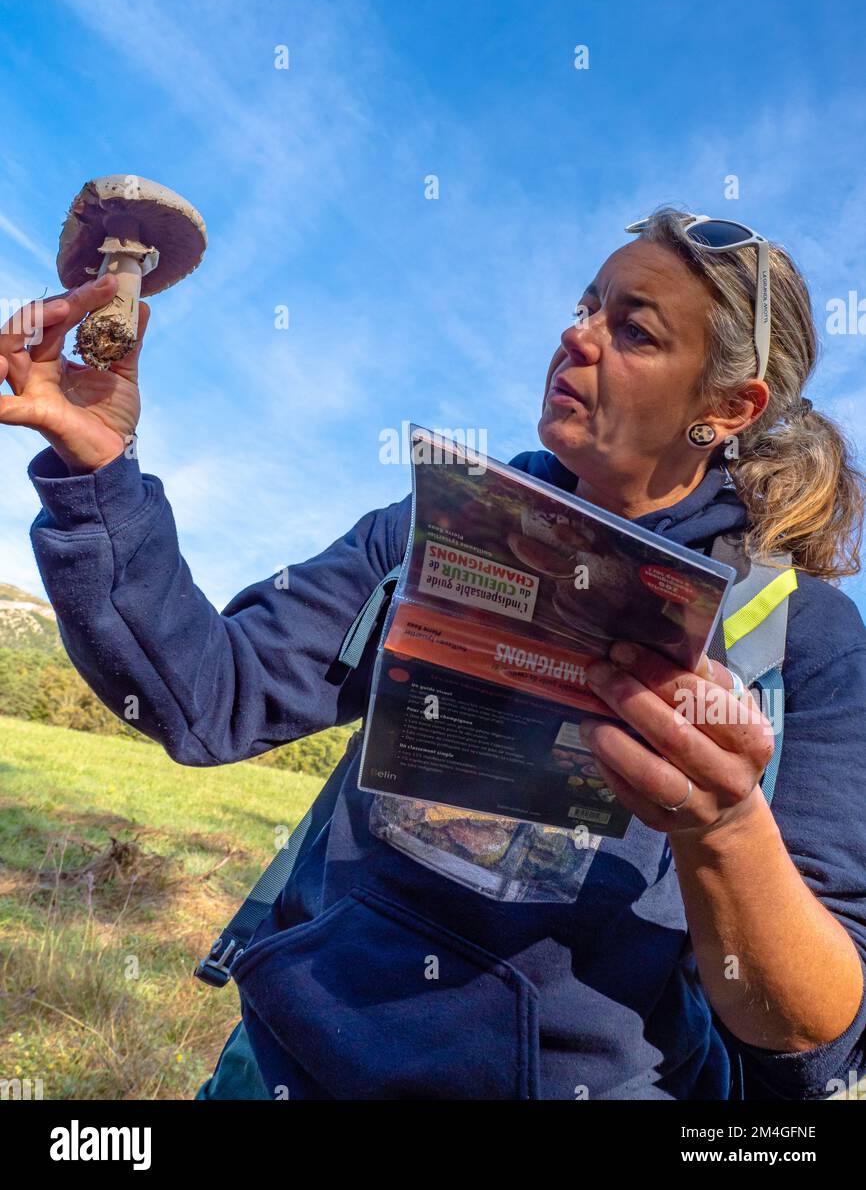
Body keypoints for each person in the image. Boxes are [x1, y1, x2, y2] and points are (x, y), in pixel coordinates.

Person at [4, 207, 866, 1101]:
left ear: (728, 408)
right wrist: (97, 471)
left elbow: (815, 1040)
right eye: (586, 305)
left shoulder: (800, 637)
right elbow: (208, 697)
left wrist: (722, 827)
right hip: (289, 1070)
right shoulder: (440, 522)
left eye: (634, 329)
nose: (577, 335)